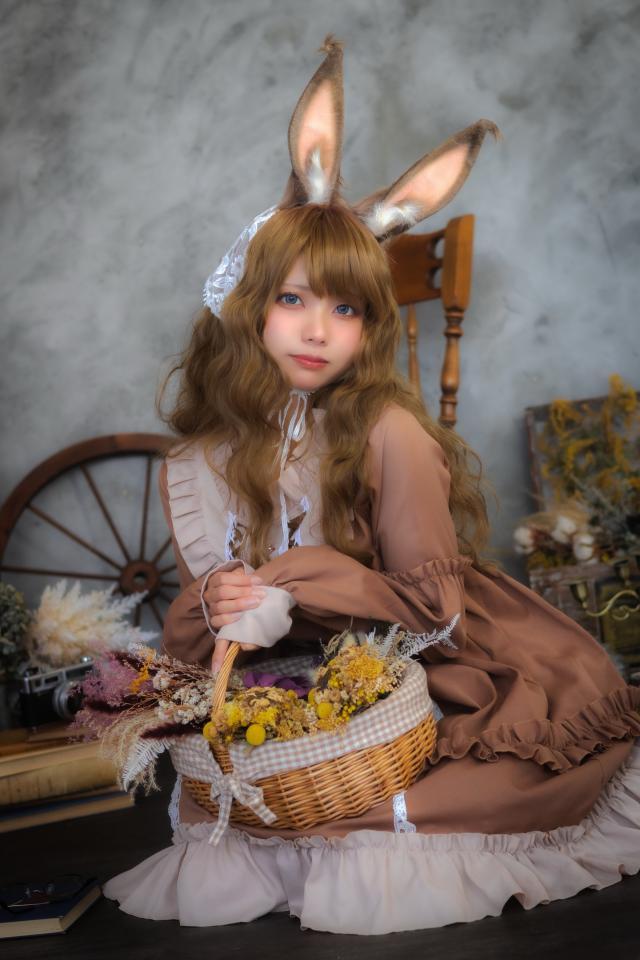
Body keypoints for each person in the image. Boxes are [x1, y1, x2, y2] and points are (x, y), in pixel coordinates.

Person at [103, 37, 640, 934]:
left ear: (368, 326)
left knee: (444, 797)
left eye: (346, 308)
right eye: (294, 300)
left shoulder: (387, 431)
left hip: (438, 664)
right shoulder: (206, 460)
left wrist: (301, 579)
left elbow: (435, 612)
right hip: (298, 688)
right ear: (250, 305)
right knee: (223, 803)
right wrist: (220, 599)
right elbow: (205, 648)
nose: (319, 331)